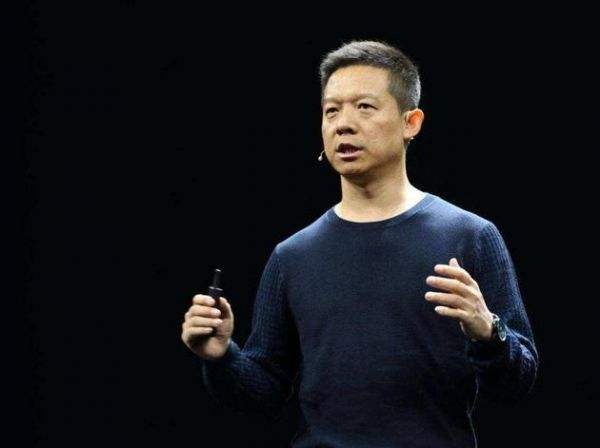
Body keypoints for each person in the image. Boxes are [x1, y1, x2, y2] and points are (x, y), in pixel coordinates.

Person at [181, 40, 539, 447]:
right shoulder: (292, 256)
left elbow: (518, 384)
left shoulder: (470, 236)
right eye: (331, 111)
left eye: (364, 107)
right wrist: (221, 357)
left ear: (411, 122)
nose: (343, 124)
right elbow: (264, 394)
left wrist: (488, 332)